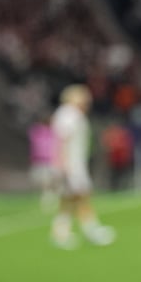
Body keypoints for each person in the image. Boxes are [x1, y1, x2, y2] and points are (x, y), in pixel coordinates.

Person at [50, 84, 115, 249]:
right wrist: (63, 164)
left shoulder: (70, 114)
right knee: (82, 197)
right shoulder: (69, 115)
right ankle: (92, 231)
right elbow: (62, 141)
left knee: (68, 201)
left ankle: (60, 233)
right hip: (71, 165)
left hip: (74, 163)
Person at [28, 113, 59, 212]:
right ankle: (47, 198)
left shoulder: (53, 132)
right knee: (45, 182)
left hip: (49, 160)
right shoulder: (39, 132)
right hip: (42, 160)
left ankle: (50, 198)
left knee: (51, 182)